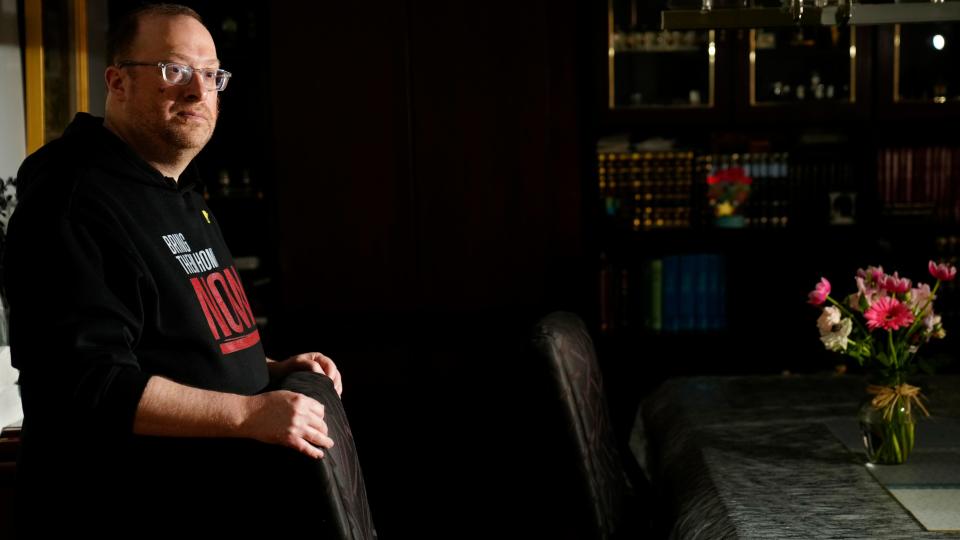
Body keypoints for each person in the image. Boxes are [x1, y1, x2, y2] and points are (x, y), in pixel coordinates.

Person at [4, 4, 354, 534]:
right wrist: (245, 413)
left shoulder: (175, 191)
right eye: (173, 70)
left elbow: (176, 343)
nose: (197, 91)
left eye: (211, 74)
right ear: (117, 81)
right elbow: (85, 385)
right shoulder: (72, 200)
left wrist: (270, 368)